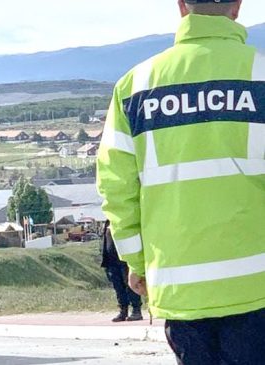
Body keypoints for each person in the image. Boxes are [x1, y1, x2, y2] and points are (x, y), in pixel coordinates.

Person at [97, 0, 265, 363]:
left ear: (181, 6)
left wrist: (137, 263)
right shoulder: (261, 76)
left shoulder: (135, 86)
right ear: (238, 6)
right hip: (259, 289)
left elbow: (117, 188)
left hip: (180, 289)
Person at [100, 220, 142, 322]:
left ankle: (136, 310)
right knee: (118, 287)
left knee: (130, 285)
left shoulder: (122, 222)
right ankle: (123, 311)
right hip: (111, 261)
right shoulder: (107, 223)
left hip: (125, 261)